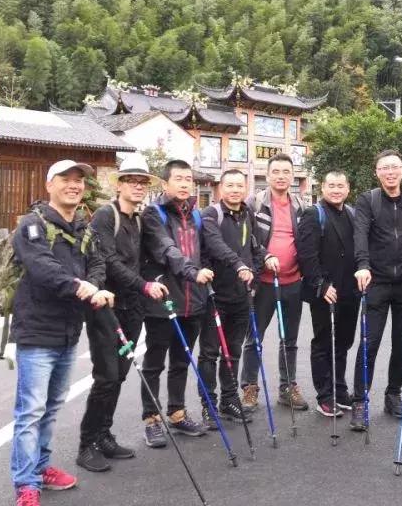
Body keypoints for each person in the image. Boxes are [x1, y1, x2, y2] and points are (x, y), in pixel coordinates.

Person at [9, 160, 114, 506]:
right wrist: (81, 287)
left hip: (70, 330)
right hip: (37, 330)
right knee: (31, 411)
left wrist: (94, 285)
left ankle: (41, 468)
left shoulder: (84, 228)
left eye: (79, 180)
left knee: (51, 407)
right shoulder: (32, 225)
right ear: (49, 184)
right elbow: (42, 269)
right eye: (66, 179)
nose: (74, 185)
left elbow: (98, 263)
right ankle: (26, 482)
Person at [76, 154, 169, 473]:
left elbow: (144, 258)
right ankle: (87, 444)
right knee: (106, 376)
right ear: (119, 184)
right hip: (106, 306)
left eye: (143, 182)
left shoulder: (139, 219)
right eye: (132, 181)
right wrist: (143, 286)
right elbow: (109, 261)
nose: (138, 187)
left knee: (121, 373)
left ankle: (104, 435)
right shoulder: (106, 215)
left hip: (133, 308)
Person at [349, 149, 402, 430]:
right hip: (376, 281)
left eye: (395, 167)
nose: (390, 172)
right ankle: (360, 400)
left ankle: (393, 394)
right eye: (385, 168)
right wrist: (362, 265)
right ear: (377, 172)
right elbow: (359, 234)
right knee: (369, 342)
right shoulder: (367, 200)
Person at [139, 159, 212, 447]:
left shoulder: (195, 216)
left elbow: (204, 253)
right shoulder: (153, 214)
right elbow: (166, 249)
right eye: (178, 179)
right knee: (154, 362)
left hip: (193, 301)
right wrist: (192, 272)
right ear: (165, 183)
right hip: (163, 301)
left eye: (188, 179)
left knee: (182, 360)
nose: (184, 184)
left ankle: (177, 412)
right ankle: (151, 418)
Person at [240, 153, 308, 412]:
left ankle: (287, 387)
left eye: (286, 172)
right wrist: (263, 257)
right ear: (267, 175)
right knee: (254, 338)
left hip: (293, 281)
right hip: (263, 283)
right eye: (276, 171)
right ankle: (249, 388)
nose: (281, 176)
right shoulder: (254, 203)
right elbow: (246, 239)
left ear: (292, 176)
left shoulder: (300, 205)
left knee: (289, 339)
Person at [198, 168, 264, 428]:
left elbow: (256, 247)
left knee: (233, 351)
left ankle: (229, 399)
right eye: (230, 185)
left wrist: (255, 272)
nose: (235, 190)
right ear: (220, 188)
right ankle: (208, 405)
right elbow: (215, 245)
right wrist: (239, 265)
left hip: (242, 296)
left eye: (240, 186)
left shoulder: (247, 214)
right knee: (210, 352)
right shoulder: (211, 214)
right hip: (215, 295)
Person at [297, 170, 359, 417]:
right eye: (331, 185)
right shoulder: (314, 214)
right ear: (322, 188)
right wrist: (321, 285)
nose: (336, 190)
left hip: (350, 291)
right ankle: (324, 395)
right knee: (323, 342)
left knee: (344, 342)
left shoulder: (352, 214)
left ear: (347, 188)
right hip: (325, 291)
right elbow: (306, 255)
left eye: (340, 186)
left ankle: (340, 389)